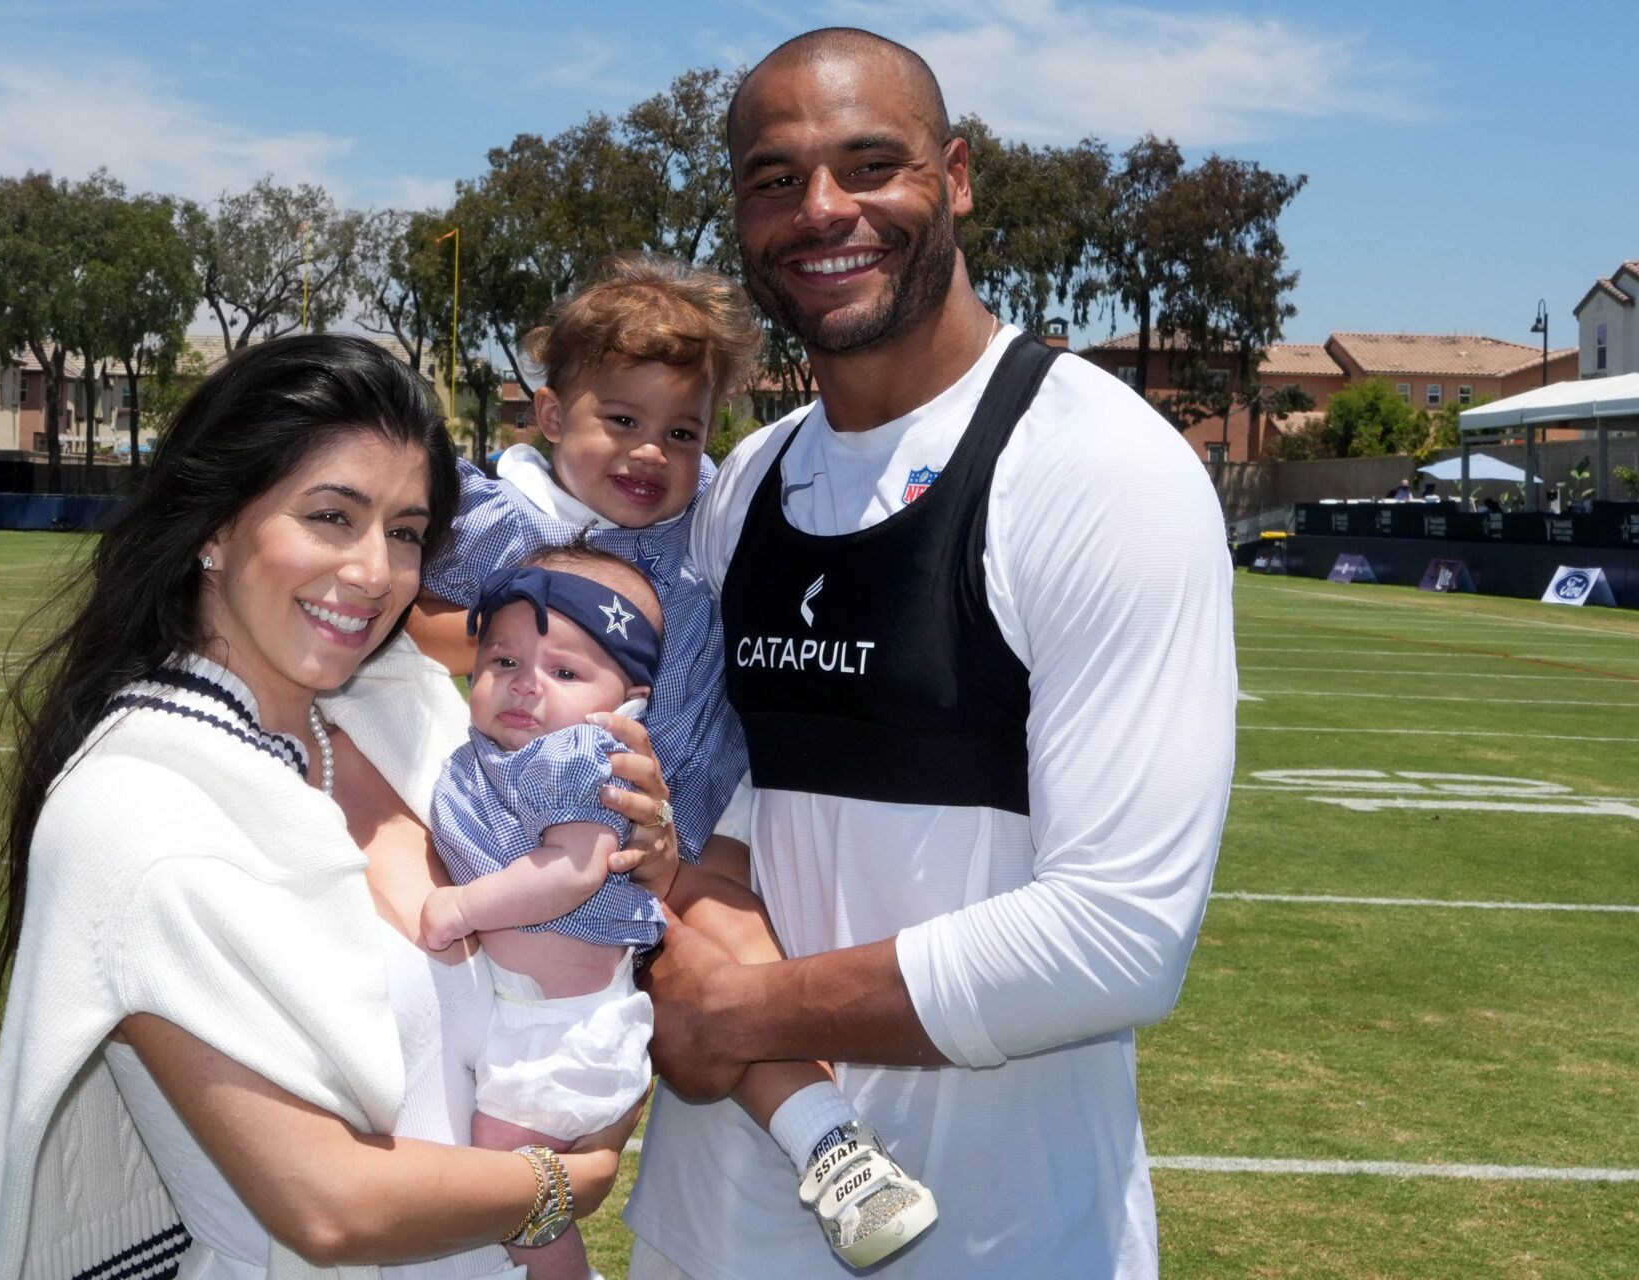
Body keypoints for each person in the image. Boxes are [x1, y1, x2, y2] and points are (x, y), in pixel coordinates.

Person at [627, 27, 1236, 1280]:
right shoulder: (750, 475)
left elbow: (1120, 936)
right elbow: (731, 797)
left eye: (870, 165)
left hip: (997, 1239)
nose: (824, 210)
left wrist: (741, 1007)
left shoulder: (1094, 468)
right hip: (714, 1234)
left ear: (954, 176)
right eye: (775, 179)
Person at [0, 334, 674, 1280]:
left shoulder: (415, 713)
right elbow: (327, 1206)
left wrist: (637, 860)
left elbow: (553, 980)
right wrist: (563, 1186)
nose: (375, 572)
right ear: (215, 525)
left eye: (407, 531)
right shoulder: (136, 808)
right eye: (332, 515)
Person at [408, 254, 937, 1268]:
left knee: (734, 947)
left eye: (682, 431)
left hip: (688, 813)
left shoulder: (701, 530)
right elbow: (417, 611)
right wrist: (530, 663)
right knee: (635, 997)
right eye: (622, 419)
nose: (651, 450)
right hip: (551, 816)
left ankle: (832, 1145)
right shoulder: (504, 520)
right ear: (551, 415)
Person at [421, 546, 668, 1280]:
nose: (526, 687)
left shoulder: (580, 754)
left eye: (564, 673)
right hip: (538, 1025)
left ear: (628, 702)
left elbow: (575, 866)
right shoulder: (492, 758)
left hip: (564, 1035)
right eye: (502, 663)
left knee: (506, 1184)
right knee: (509, 1191)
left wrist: (462, 907)